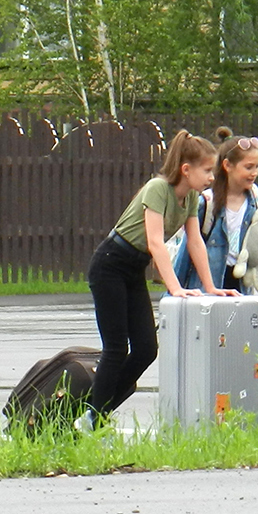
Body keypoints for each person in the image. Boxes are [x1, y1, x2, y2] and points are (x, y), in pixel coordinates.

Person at [86, 129, 223, 425]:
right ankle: (92, 418)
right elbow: (155, 242)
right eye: (208, 170)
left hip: (134, 269)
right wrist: (175, 288)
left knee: (147, 350)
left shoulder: (192, 200)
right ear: (186, 170)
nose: (212, 177)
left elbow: (195, 240)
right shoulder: (157, 189)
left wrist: (210, 286)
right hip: (110, 264)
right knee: (116, 348)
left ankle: (94, 410)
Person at [176, 127, 258, 293]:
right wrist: (174, 291)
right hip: (209, 285)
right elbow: (187, 252)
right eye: (248, 167)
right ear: (227, 165)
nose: (254, 173)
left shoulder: (255, 197)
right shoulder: (207, 203)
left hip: (242, 284)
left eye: (257, 167)